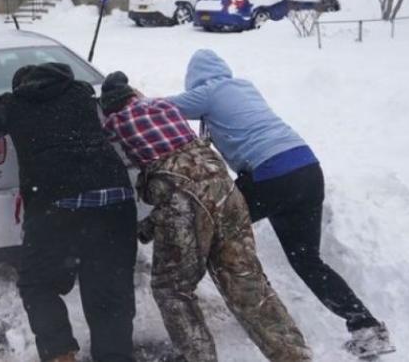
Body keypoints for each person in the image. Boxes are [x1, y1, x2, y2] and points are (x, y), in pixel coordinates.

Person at [168, 49, 394, 359]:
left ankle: (251, 305)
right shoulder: (244, 86)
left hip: (270, 173)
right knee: (307, 260)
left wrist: (129, 98)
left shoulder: (210, 92)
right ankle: (365, 325)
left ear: (195, 79)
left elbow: (164, 108)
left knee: (212, 223)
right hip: (306, 169)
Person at [100, 71, 311, 362]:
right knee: (246, 281)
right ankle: (294, 356)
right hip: (226, 192)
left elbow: (181, 196)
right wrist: (151, 225)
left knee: (172, 289)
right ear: (134, 94)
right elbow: (193, 184)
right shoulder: (164, 107)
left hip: (183, 201)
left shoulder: (114, 122)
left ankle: (196, 356)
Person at [0, 63, 138, 362]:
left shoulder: (11, 104)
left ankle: (61, 353)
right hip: (115, 199)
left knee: (37, 283)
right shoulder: (81, 93)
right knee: (109, 294)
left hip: (58, 203)